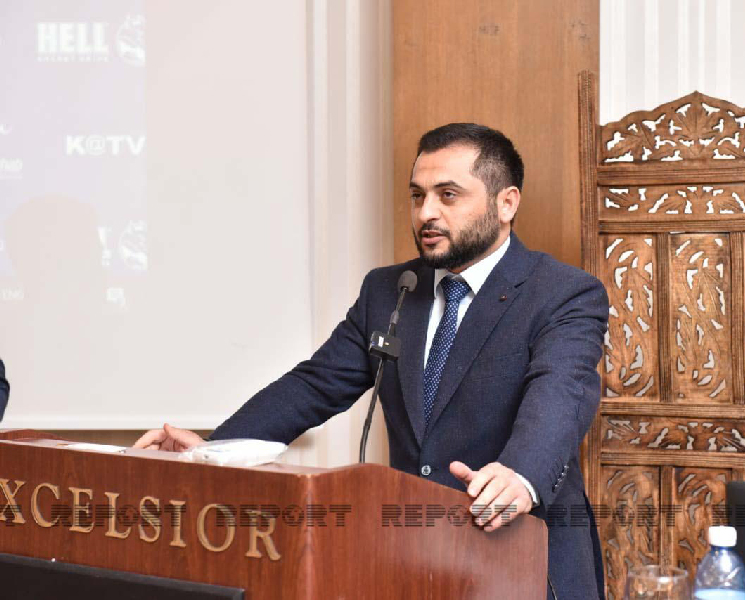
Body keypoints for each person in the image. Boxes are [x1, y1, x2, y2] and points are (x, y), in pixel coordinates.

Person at [136, 123, 609, 600]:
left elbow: (561, 391)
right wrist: (212, 453)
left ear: (506, 203)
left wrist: (519, 475)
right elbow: (314, 386)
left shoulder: (562, 293)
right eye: (417, 195)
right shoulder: (390, 289)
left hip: (524, 558)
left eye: (448, 195)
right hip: (413, 560)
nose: (426, 213)